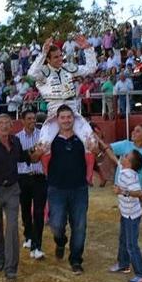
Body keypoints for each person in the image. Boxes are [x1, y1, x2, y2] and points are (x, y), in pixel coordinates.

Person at [0, 114, 43, 281]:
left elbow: (26, 157)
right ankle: (0, 258)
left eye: (7, 123)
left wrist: (38, 152)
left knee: (12, 227)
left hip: (13, 190)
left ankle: (11, 268)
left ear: (12, 126)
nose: (4, 126)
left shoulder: (16, 142)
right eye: (1, 123)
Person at [27, 35, 97, 181]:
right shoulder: (43, 72)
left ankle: (88, 177)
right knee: (43, 146)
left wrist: (87, 48)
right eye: (56, 57)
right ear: (48, 59)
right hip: (54, 112)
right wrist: (42, 53)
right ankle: (48, 176)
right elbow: (31, 74)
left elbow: (91, 68)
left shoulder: (68, 68)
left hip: (72, 111)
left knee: (91, 142)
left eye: (61, 56)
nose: (60, 59)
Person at [47, 105, 90, 275]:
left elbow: (94, 153)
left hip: (79, 188)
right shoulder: (50, 140)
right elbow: (38, 157)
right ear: (57, 120)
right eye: (62, 117)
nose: (66, 120)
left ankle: (76, 260)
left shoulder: (83, 139)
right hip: (56, 189)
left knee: (79, 226)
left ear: (74, 119)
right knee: (56, 225)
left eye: (69, 117)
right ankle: (60, 241)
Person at [101, 147, 142, 282]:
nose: (123, 155)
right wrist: (101, 144)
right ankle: (123, 264)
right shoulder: (123, 168)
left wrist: (123, 191)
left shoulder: (130, 174)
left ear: (129, 163)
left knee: (131, 245)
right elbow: (113, 157)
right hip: (125, 213)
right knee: (123, 239)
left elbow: (139, 192)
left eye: (126, 156)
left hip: (131, 216)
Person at [15, 110, 47, 260]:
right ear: (22, 121)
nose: (32, 121)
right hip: (23, 178)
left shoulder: (42, 135)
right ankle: (28, 235)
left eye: (33, 118)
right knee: (26, 210)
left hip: (39, 177)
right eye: (29, 118)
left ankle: (37, 245)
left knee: (39, 212)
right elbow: (19, 159)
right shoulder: (17, 138)